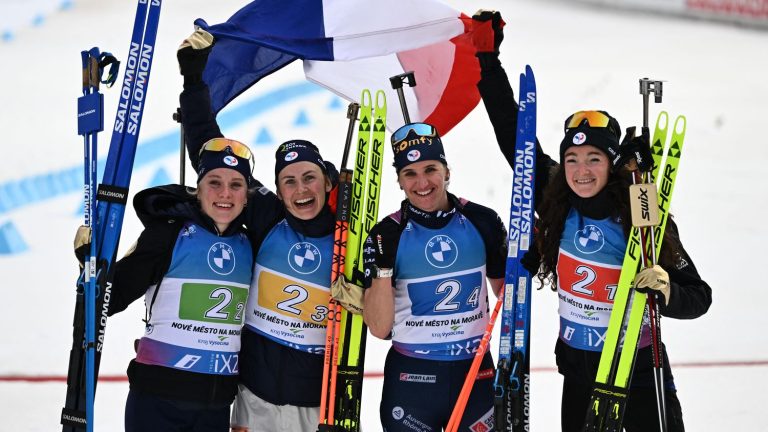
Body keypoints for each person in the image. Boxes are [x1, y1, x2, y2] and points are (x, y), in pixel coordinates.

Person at [472, 13, 712, 431]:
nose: (581, 171)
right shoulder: (556, 199)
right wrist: (487, 62)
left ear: (612, 162)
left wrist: (667, 288)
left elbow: (699, 297)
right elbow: (516, 137)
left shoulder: (641, 212)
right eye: (572, 160)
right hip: (579, 372)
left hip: (637, 373)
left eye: (594, 159)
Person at [177, 29, 340, 432]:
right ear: (279, 190)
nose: (301, 190)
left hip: (314, 404)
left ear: (326, 182)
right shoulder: (267, 215)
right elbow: (212, 153)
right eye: (289, 181)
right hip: (254, 398)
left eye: (309, 178)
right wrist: (193, 82)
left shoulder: (348, 233)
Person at [97, 141, 254, 431]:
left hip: (216, 407)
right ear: (198, 190)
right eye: (214, 182)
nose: (225, 193)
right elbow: (109, 298)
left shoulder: (251, 244)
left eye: (236, 184)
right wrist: (92, 268)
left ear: (246, 196)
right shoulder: (168, 233)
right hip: (158, 403)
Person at [362, 122, 508, 431]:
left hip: (475, 374)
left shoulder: (482, 221)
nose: (422, 182)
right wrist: (383, 269)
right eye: (409, 174)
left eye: (430, 169)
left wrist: (526, 259)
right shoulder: (385, 234)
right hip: (412, 380)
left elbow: (505, 294)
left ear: (447, 171)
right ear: (400, 182)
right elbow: (378, 327)